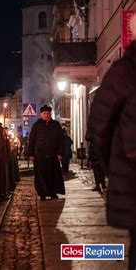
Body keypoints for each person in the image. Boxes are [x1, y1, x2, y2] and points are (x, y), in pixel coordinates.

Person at [88, 39, 136, 270]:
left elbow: (100, 126)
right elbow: (99, 124)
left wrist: (112, 166)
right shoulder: (123, 72)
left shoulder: (122, 72)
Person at [27, 105, 65, 201]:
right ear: (41, 114)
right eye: (44, 113)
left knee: (53, 175)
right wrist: (30, 154)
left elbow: (61, 140)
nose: (46, 115)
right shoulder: (36, 125)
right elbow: (32, 140)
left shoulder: (56, 125)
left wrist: (60, 153)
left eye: (48, 113)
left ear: (50, 114)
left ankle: (53, 193)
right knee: (41, 177)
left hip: (53, 155)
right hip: (40, 156)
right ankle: (42, 194)